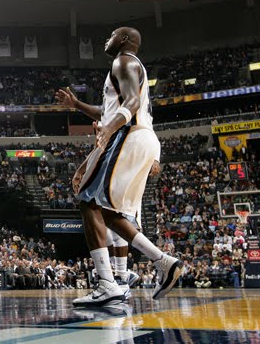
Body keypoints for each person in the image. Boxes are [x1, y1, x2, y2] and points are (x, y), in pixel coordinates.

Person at [56, 27, 180, 307]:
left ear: (124, 40)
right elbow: (107, 111)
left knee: (88, 201)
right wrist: (76, 104)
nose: (106, 39)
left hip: (129, 135)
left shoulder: (123, 61)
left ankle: (109, 283)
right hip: (138, 138)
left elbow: (131, 104)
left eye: (111, 35)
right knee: (108, 212)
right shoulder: (128, 67)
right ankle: (162, 262)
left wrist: (110, 128)